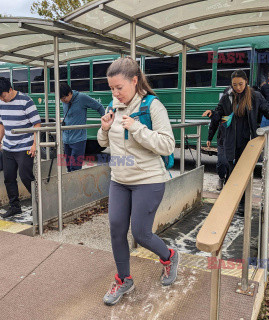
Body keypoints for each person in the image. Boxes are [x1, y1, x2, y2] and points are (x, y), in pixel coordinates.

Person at [97, 57, 178, 306]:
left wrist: (137, 128)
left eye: (119, 87)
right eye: (111, 88)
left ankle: (169, 256)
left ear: (134, 80)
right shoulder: (113, 105)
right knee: (116, 230)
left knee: (141, 233)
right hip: (119, 179)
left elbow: (167, 145)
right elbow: (103, 143)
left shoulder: (153, 106)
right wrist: (103, 128)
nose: (115, 93)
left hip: (148, 179)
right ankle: (124, 280)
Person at [207, 69, 269, 212]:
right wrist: (212, 113)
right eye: (234, 85)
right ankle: (230, 201)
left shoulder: (255, 96)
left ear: (246, 82)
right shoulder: (227, 97)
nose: (238, 87)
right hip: (230, 141)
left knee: (243, 175)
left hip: (247, 142)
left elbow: (266, 109)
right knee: (231, 172)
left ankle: (242, 205)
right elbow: (219, 112)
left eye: (240, 84)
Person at [0, 77, 42, 218]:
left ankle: (39, 204)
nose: (2, 99)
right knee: (8, 177)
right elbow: (1, 123)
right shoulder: (0, 102)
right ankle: (15, 207)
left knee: (26, 176)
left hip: (25, 146)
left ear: (10, 89)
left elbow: (37, 124)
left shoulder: (26, 101)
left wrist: (34, 144)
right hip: (8, 147)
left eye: (3, 96)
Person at [60, 82, 105, 172]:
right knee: (68, 167)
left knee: (75, 168)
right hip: (66, 139)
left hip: (78, 139)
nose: (63, 101)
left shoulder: (81, 98)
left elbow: (99, 107)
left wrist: (105, 120)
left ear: (70, 93)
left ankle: (76, 186)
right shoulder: (64, 101)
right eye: (61, 99)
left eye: (64, 98)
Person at [202, 86, 232, 191]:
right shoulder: (221, 108)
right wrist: (209, 138)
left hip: (233, 140)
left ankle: (228, 182)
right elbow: (214, 122)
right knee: (221, 162)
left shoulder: (239, 108)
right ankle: (221, 177)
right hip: (222, 139)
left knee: (230, 163)